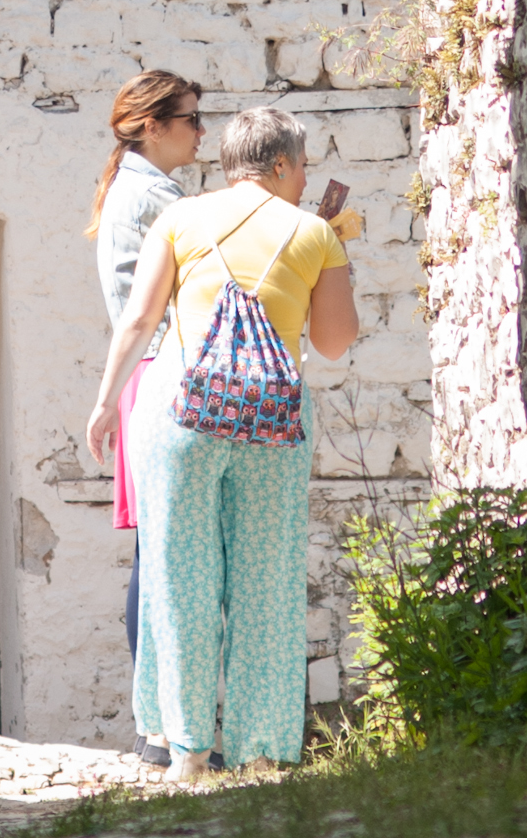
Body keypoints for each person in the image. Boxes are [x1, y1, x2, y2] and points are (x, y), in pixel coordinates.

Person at [86, 102, 358, 784]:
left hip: (178, 413)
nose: (302, 180)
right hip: (273, 419)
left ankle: (185, 753)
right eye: (300, 167)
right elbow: (333, 343)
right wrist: (334, 250)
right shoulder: (312, 233)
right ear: (279, 164)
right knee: (265, 583)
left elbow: (140, 319)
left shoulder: (181, 218)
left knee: (177, 581)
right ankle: (260, 752)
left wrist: (102, 404)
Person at [84, 71, 205, 758]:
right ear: (153, 125)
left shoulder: (136, 189)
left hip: (146, 380)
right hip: (164, 377)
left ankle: (159, 727)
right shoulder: (157, 196)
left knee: (159, 553)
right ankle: (159, 729)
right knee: (163, 556)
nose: (201, 131)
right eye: (190, 119)